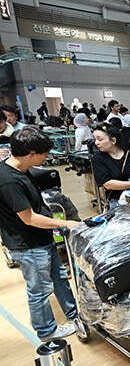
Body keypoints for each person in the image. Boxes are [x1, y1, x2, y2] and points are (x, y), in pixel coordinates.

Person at [0, 127, 81, 341]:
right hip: (28, 244)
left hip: (42, 238)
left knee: (60, 278)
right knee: (40, 290)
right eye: (44, 154)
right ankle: (46, 330)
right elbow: (29, 218)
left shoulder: (21, 168)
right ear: (31, 154)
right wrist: (65, 223)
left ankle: (74, 314)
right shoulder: (9, 180)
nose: (46, 158)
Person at [91, 125, 130, 208]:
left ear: (113, 140)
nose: (96, 143)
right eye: (95, 139)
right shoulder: (98, 159)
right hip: (116, 202)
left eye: (100, 139)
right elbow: (108, 184)